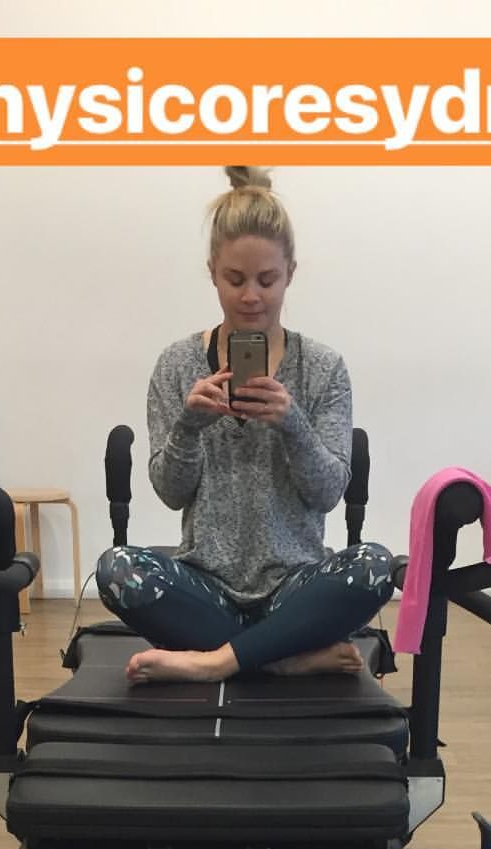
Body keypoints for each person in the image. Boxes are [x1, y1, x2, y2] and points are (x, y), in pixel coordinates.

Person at [96, 165, 396, 684]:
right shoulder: (176, 364)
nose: (251, 296)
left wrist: (292, 424)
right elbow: (170, 492)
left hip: (295, 586)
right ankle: (281, 656)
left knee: (374, 565)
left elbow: (328, 493)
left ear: (290, 273)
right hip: (205, 585)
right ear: (212, 272)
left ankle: (216, 661)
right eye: (235, 280)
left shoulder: (323, 368)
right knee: (117, 568)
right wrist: (188, 427)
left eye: (267, 280)